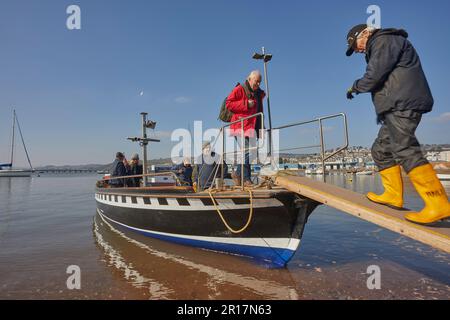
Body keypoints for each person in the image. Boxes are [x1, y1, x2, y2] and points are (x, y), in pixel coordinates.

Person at [346, 24, 450, 224]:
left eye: (356, 45)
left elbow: (374, 75)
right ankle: (393, 195)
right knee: (381, 150)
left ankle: (438, 203)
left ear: (365, 33)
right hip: (395, 105)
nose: (358, 50)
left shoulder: (384, 41)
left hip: (403, 103)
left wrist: (355, 86)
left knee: (404, 147)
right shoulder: (382, 43)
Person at [225, 70, 265, 187]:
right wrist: (246, 103)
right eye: (256, 81)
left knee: (252, 152)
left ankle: (237, 173)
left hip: (251, 127)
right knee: (248, 151)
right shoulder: (240, 89)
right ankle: (246, 178)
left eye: (259, 82)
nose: (258, 84)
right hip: (240, 125)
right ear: (249, 79)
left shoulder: (258, 93)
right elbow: (229, 104)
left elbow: (259, 112)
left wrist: (261, 129)